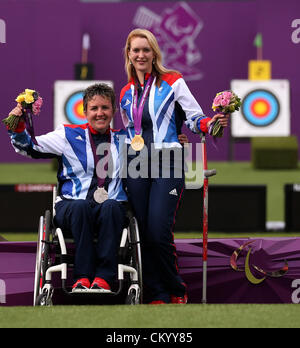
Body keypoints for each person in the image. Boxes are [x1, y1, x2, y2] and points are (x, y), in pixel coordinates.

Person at [120, 28, 229, 304]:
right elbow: (128, 131)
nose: (141, 55)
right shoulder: (125, 93)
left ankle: (176, 289)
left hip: (168, 161)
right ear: (129, 55)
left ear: (154, 52)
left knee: (158, 230)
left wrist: (210, 124)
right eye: (136, 50)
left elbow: (194, 117)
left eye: (146, 49)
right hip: (136, 164)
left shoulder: (173, 81)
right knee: (142, 232)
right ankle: (156, 293)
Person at [6, 83, 127, 293]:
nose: (100, 113)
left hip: (109, 209)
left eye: (105, 108)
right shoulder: (67, 135)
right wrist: (18, 127)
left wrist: (180, 144)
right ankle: (82, 277)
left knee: (112, 207)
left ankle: (104, 278)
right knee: (80, 207)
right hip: (72, 208)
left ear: (114, 111)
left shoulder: (125, 140)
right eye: (94, 108)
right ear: (85, 111)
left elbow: (156, 155)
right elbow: (30, 147)